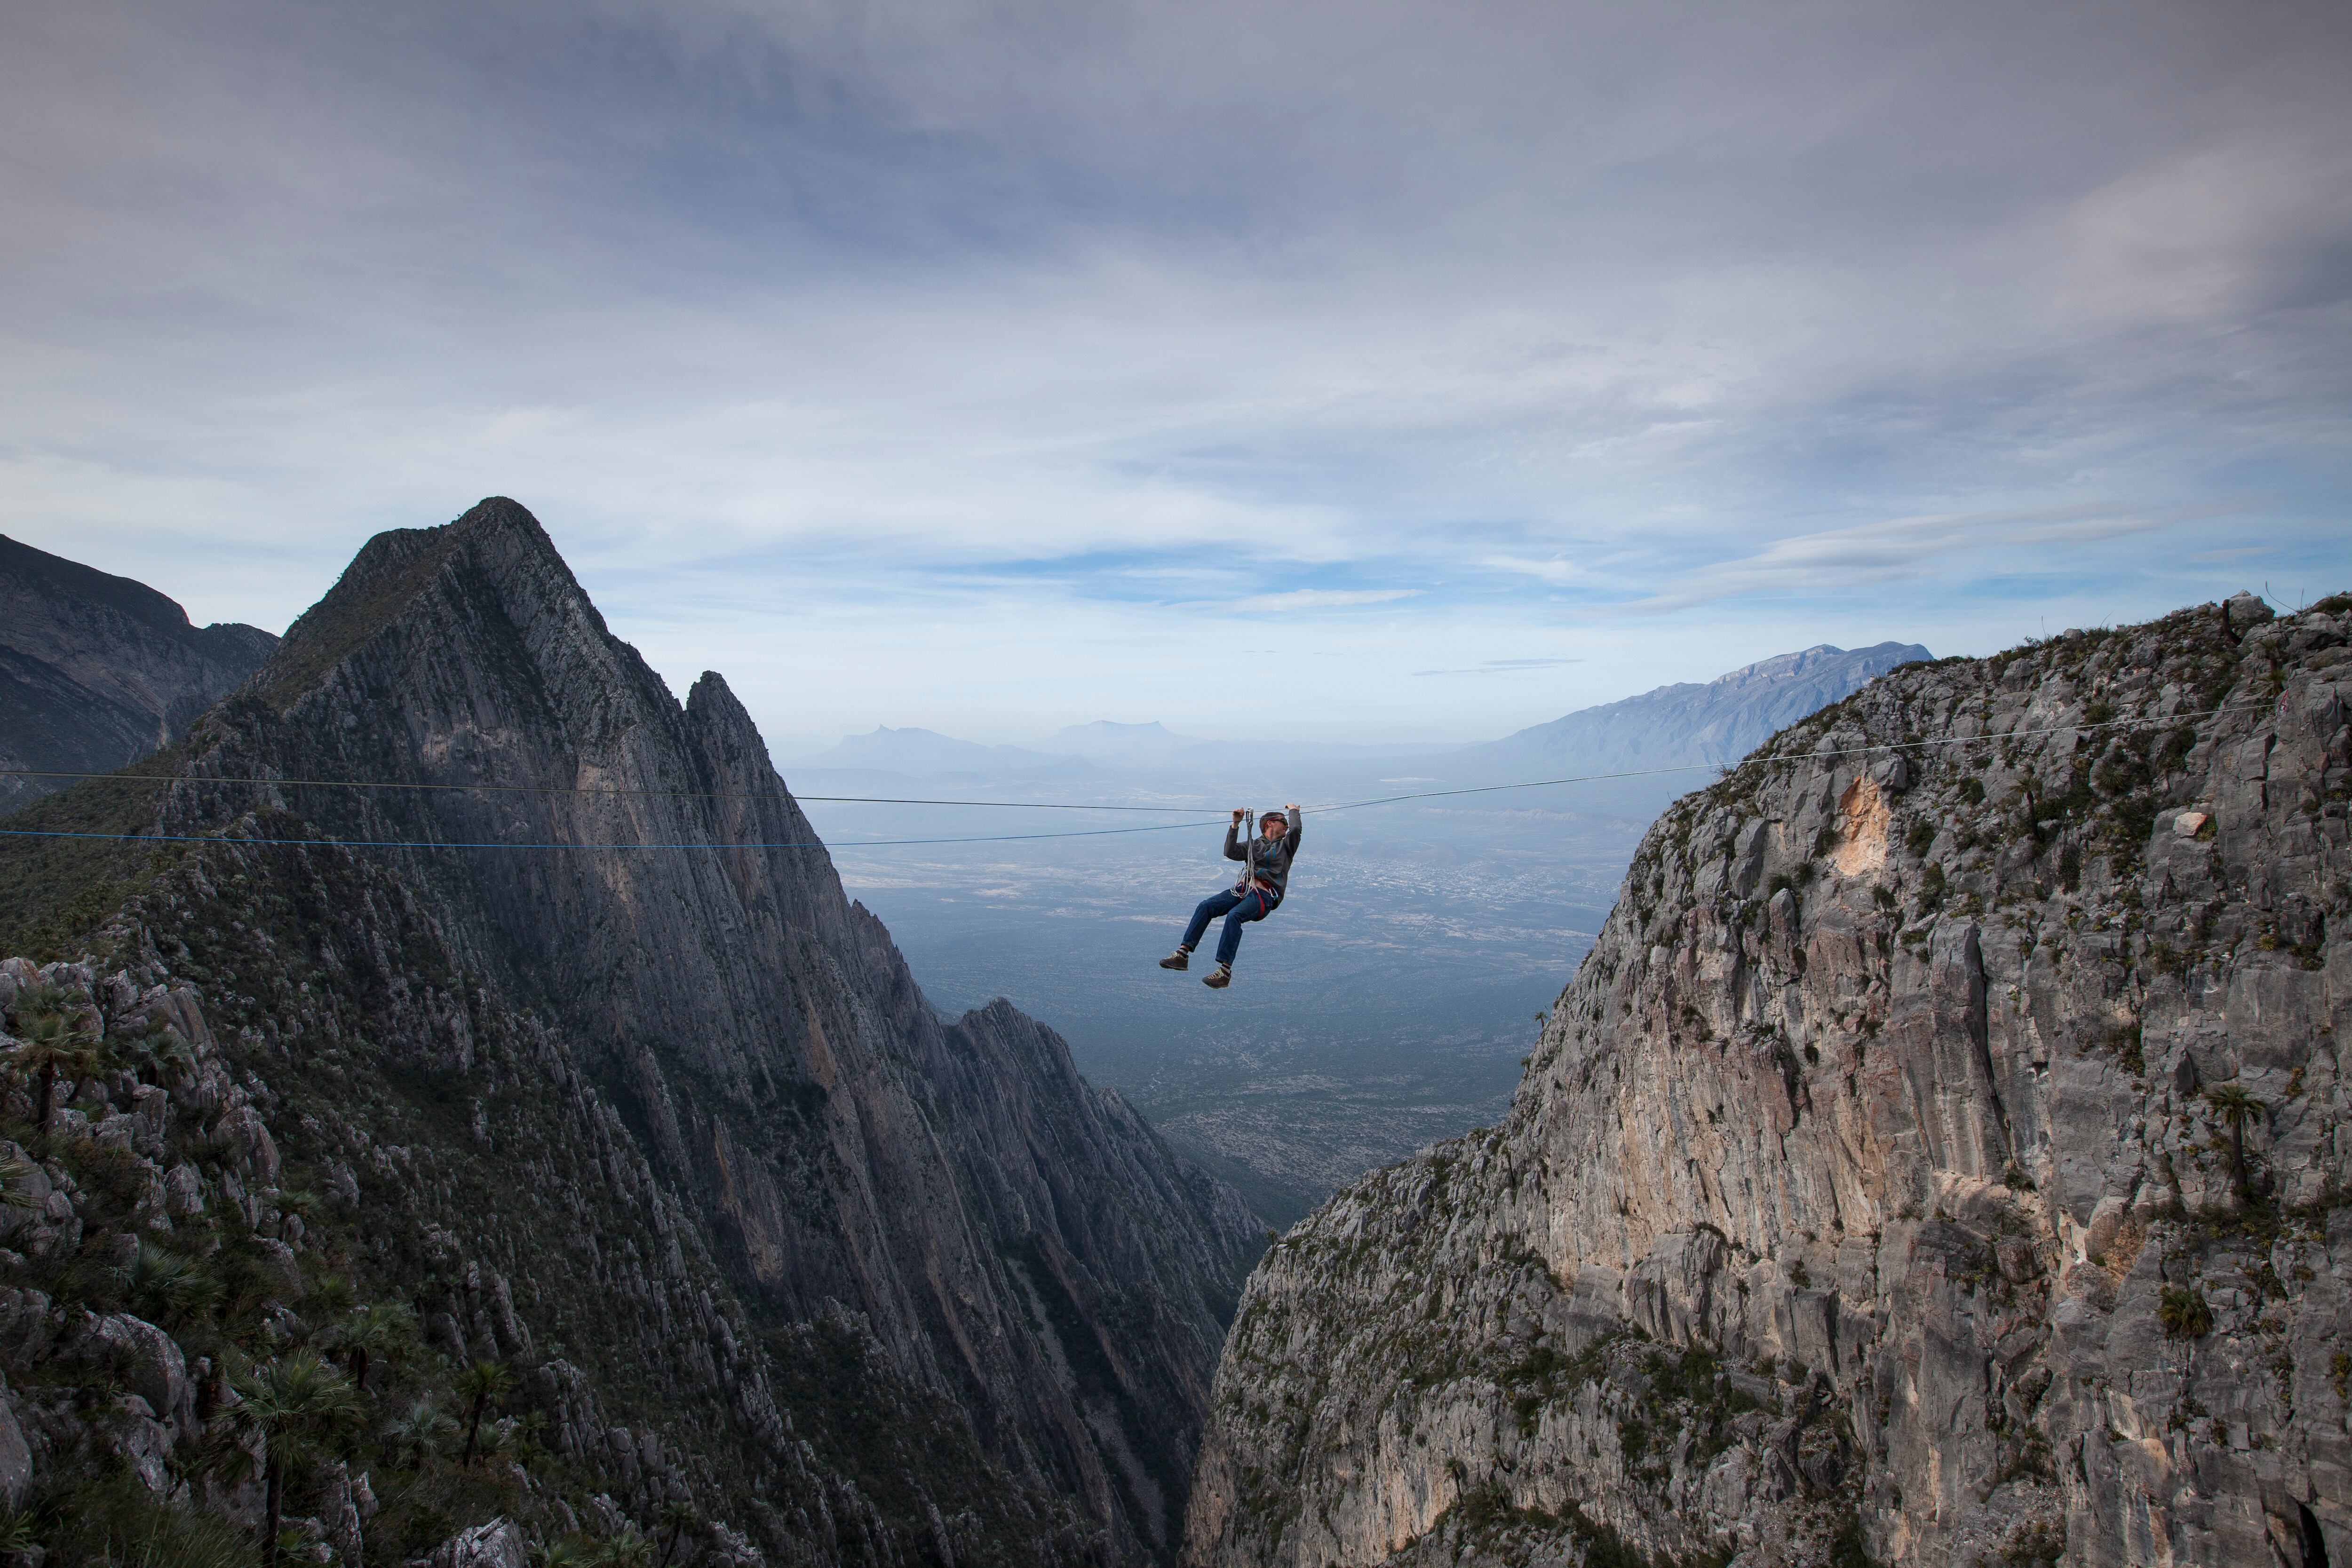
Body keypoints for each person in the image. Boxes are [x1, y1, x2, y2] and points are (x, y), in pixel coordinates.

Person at [1160, 803, 1302, 989]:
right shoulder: (1254, 845)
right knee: (1206, 906)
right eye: (1283, 821)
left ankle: (1225, 972)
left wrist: (1294, 811)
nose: (1286, 825)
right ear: (1270, 824)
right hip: (1243, 890)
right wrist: (1235, 825)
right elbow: (1230, 852)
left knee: (1235, 915)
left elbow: (1296, 828)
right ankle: (1182, 954)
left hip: (1264, 895)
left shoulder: (1286, 847)